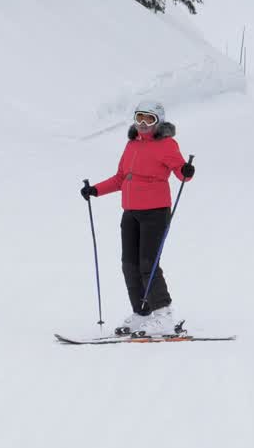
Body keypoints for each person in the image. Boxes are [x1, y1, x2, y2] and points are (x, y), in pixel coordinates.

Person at [81, 101, 194, 336]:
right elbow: (122, 178)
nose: (142, 124)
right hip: (130, 212)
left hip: (155, 212)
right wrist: (96, 190)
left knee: (148, 264)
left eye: (149, 120)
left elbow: (180, 172)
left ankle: (163, 315)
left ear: (158, 122)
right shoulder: (132, 145)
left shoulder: (167, 144)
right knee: (129, 265)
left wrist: (185, 171)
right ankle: (142, 312)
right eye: (139, 118)